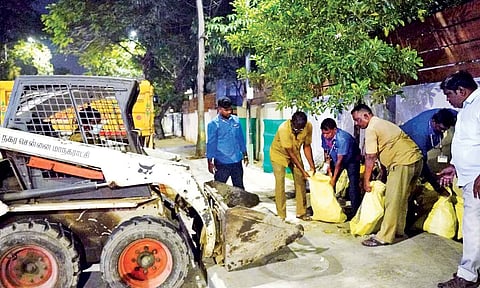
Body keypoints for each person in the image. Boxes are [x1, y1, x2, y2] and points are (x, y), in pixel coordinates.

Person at [351, 104, 423, 247]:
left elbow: (370, 157)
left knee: (392, 200)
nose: (357, 124)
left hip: (402, 162)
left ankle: (384, 236)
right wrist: (384, 171)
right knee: (401, 199)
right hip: (415, 160)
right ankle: (398, 231)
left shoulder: (371, 128)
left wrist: (366, 181)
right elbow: (387, 147)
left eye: (358, 120)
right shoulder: (382, 123)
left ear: (366, 116)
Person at [437, 70, 480, 288]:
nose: (447, 99)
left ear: (461, 91)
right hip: (468, 175)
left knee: (473, 227)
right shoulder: (466, 109)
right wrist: (454, 166)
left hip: (476, 178)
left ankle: (468, 276)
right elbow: (468, 143)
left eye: (448, 94)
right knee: (473, 226)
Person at [269, 111, 315, 221]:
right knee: (280, 183)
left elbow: (307, 146)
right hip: (279, 154)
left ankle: (301, 212)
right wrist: (303, 171)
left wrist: (312, 166)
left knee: (300, 181)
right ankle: (281, 216)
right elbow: (290, 153)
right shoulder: (283, 129)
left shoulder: (308, 126)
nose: (298, 131)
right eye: (296, 129)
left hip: (295, 152)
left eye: (300, 129)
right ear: (291, 122)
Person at [400, 108, 457, 195]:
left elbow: (458, 115)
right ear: (434, 122)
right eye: (441, 128)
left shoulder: (445, 114)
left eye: (445, 129)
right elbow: (422, 161)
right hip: (404, 150)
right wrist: (436, 185)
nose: (443, 131)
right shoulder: (420, 134)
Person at [320, 118, 362, 216]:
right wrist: (329, 169)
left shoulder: (343, 138)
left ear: (334, 130)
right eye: (324, 133)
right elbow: (326, 152)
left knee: (353, 186)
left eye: (328, 133)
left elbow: (340, 162)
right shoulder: (324, 136)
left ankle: (356, 212)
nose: (325, 136)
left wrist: (334, 179)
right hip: (335, 159)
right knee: (328, 183)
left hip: (351, 160)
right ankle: (330, 208)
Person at [206, 97, 248, 190]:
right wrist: (209, 162)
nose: (229, 112)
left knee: (239, 188)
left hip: (236, 161)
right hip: (222, 162)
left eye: (230, 109)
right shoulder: (213, 124)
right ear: (219, 109)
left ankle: (239, 205)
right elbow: (211, 144)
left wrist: (245, 154)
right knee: (218, 189)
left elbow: (241, 138)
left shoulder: (236, 121)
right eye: (226, 110)